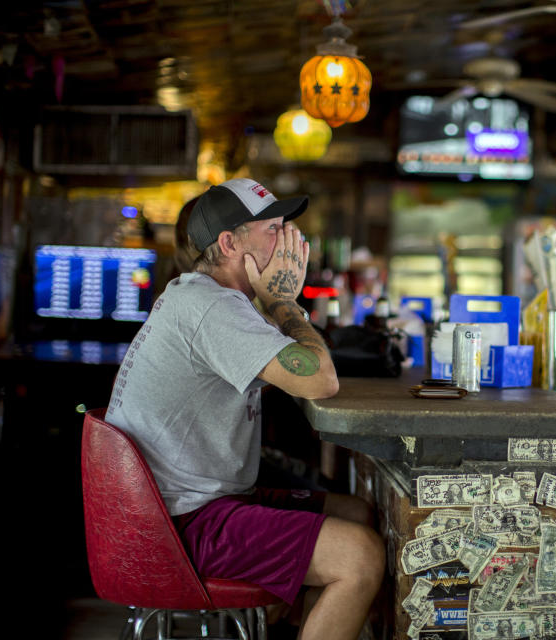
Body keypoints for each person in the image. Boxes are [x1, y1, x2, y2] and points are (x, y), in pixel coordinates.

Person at [105, 178, 384, 640]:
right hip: (180, 526)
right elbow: (321, 379)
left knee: (356, 514)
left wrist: (275, 308)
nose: (293, 243)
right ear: (230, 243)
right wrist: (283, 302)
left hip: (191, 506)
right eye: (274, 229)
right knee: (360, 555)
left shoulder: (206, 297)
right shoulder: (213, 309)